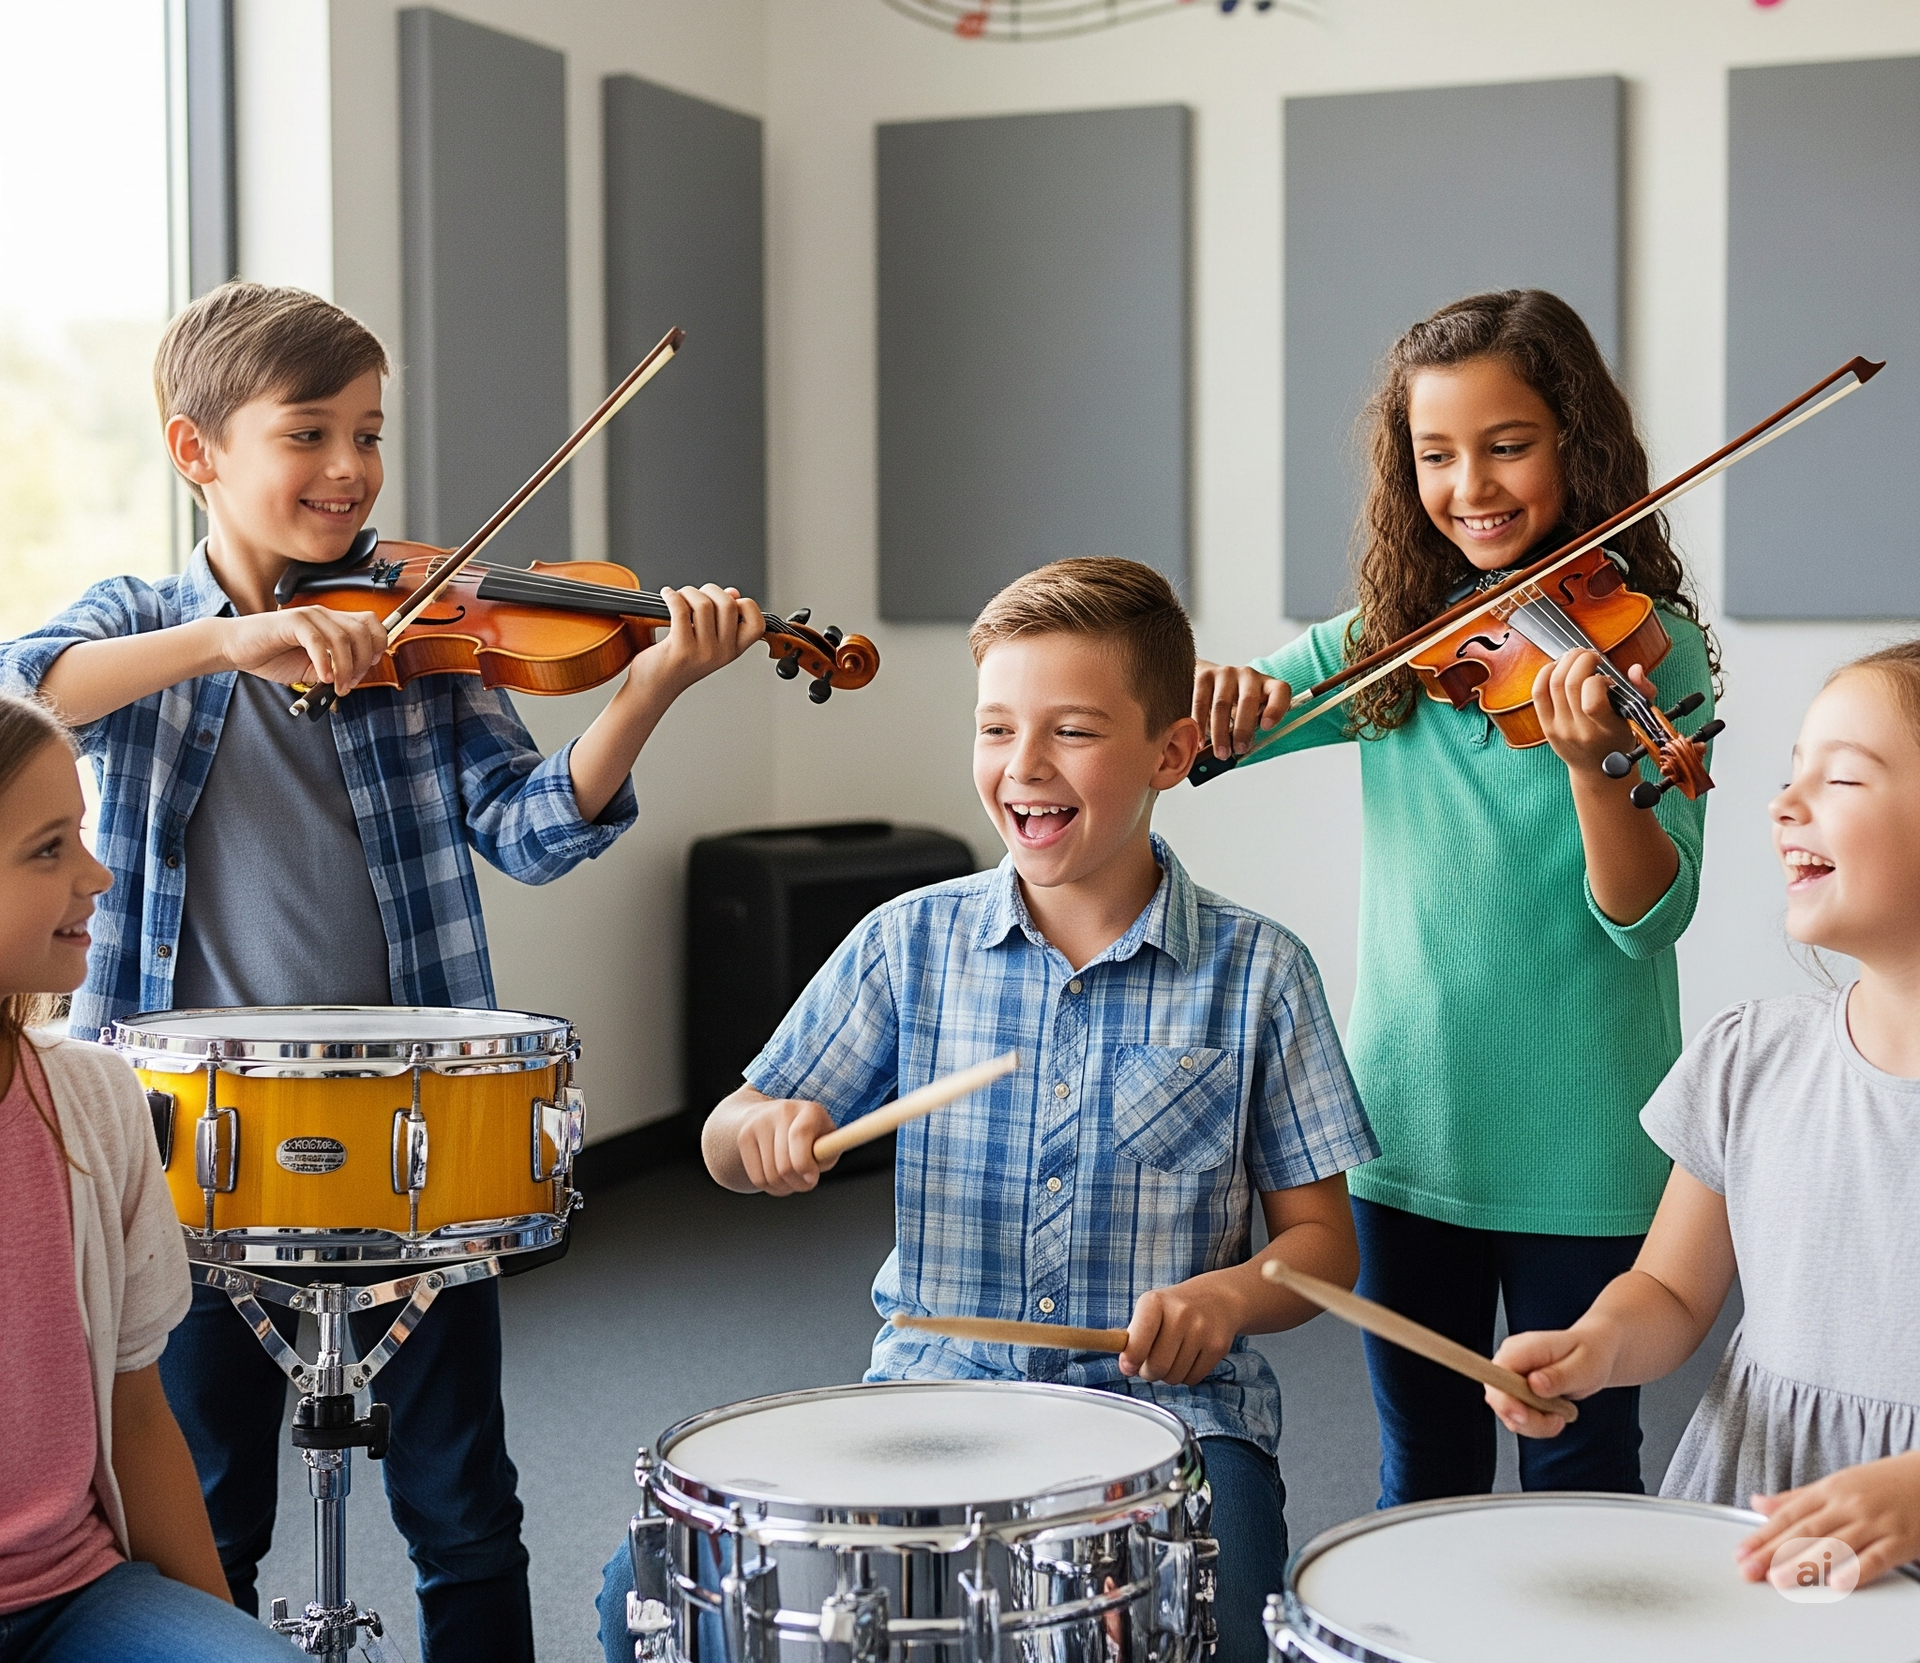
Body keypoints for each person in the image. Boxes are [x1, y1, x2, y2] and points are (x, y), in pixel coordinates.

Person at [0, 282, 766, 1663]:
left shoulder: (422, 629)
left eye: (369, 432)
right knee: (210, 1500)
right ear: (195, 452)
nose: (351, 467)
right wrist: (231, 642)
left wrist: (642, 695)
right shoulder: (143, 624)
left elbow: (531, 833)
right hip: (192, 1138)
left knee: (464, 1508)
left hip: (415, 1121)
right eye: (309, 432)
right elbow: (22, 689)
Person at [596, 556, 1380, 1663]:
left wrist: (1229, 1296)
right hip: (933, 1395)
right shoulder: (907, 941)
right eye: (996, 729)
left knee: (1233, 1616)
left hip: (1177, 1421)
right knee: (643, 1595)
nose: (1024, 766)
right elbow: (731, 1131)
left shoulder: (1261, 972)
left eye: (1073, 731)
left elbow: (1323, 1245)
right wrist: (752, 1136)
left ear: (1170, 752)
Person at [1191, 290, 1718, 1507]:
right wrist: (1212, 703)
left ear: (1578, 445)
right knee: (1423, 1469)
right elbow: (1203, 738)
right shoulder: (1394, 642)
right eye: (1436, 455)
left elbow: (1649, 915)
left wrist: (1593, 766)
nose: (1470, 485)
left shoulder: (1649, 650)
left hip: (1588, 1139)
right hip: (1408, 1131)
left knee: (1579, 1468)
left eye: (1507, 445)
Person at [1486, 640, 1920, 1588]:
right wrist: (1596, 1343)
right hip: (1756, 1512)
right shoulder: (1749, 1057)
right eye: (1792, 773)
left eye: (1842, 778)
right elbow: (1672, 1293)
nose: (1784, 804)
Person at [0, 689, 292, 1662]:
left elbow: (136, 1417)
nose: (97, 874)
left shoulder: (96, 1100)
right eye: (49, 850)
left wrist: (228, 1640)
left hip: (76, 1591)